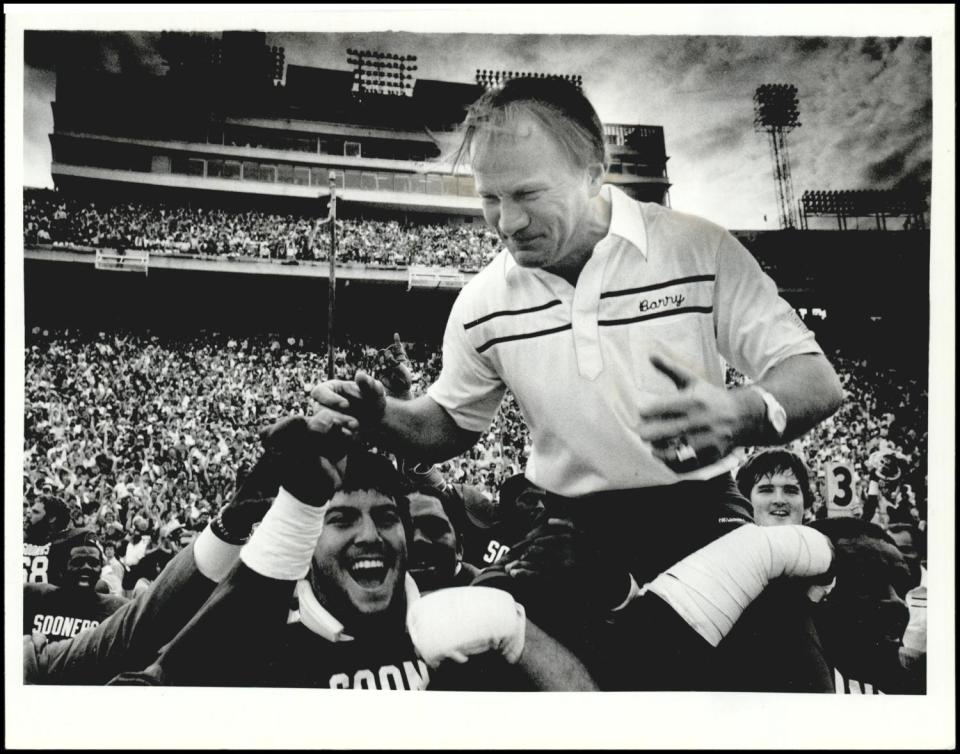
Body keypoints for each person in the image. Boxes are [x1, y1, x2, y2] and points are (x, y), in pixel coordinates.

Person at [310, 77, 843, 651]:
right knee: (481, 663)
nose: (506, 222)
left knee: (780, 666)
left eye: (528, 195)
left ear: (593, 170)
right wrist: (382, 415)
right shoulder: (484, 301)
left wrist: (743, 411)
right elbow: (446, 424)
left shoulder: (697, 249)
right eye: (490, 197)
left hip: (701, 512)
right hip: (566, 529)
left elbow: (816, 381)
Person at [110, 419, 597, 690]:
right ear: (305, 537)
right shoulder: (260, 642)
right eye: (340, 520)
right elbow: (152, 685)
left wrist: (519, 638)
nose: (370, 535)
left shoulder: (472, 617)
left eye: (386, 518)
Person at [24, 532, 128, 641]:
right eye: (77, 562)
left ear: (100, 570)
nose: (86, 567)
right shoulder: (35, 597)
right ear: (62, 569)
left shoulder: (116, 608)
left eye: (93, 563)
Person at [23, 494, 92, 586]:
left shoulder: (67, 545)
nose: (28, 514)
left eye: (35, 512)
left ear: (52, 518)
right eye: (30, 510)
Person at [736, 448, 815, 526]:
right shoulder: (729, 538)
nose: (779, 500)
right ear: (746, 500)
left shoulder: (822, 538)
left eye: (790, 491)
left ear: (805, 501)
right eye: (766, 490)